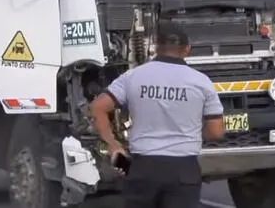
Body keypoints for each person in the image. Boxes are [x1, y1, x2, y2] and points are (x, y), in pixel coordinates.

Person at [90, 21, 225, 208]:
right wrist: (191, 132)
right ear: (187, 49)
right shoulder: (202, 82)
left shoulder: (133, 76)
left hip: (141, 167)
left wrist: (113, 145)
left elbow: (98, 107)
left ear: (156, 48)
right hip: (184, 170)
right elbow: (216, 132)